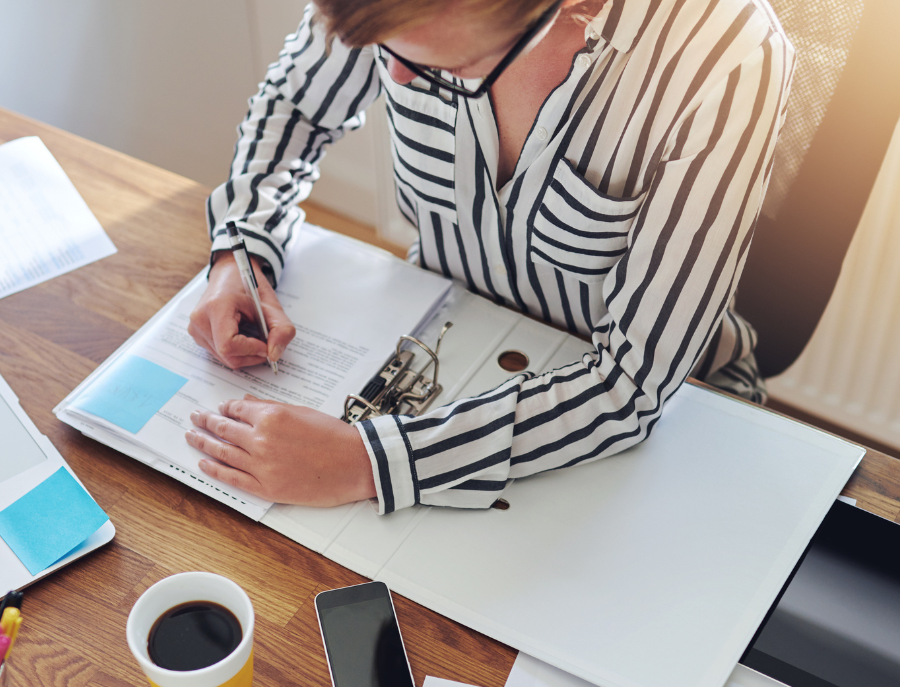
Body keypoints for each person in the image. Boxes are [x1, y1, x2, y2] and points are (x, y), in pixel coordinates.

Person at [186, 0, 793, 512]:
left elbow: (628, 385)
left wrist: (371, 462)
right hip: (442, 352)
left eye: (443, 67)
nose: (392, 77)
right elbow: (296, 105)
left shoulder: (732, 57)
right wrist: (241, 249)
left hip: (635, 422)